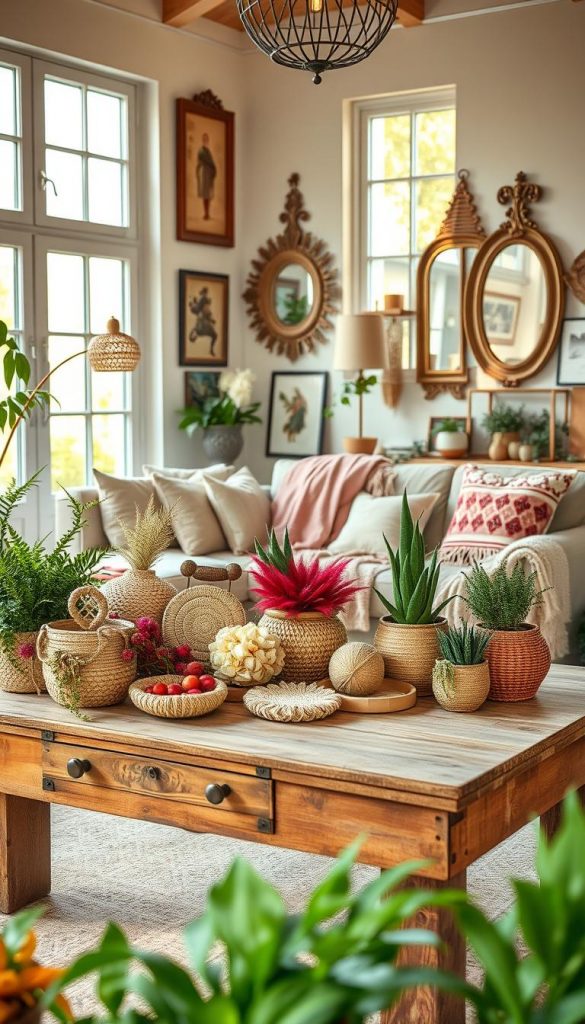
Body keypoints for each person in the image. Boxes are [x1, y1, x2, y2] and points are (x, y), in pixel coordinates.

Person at [189, 287, 217, 356]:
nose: (206, 294)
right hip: (203, 321)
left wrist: (194, 304)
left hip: (204, 320)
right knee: (213, 335)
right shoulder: (203, 299)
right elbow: (198, 309)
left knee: (214, 335)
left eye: (205, 293)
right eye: (205, 292)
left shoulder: (204, 300)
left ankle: (211, 349)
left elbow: (205, 311)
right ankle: (211, 349)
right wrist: (193, 304)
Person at [196, 133, 217, 221]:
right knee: (205, 194)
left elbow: (212, 163)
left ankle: (207, 213)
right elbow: (201, 161)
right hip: (204, 173)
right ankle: (206, 213)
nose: (205, 141)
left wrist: (213, 170)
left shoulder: (208, 151)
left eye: (206, 139)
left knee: (208, 194)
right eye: (204, 139)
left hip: (208, 173)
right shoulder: (201, 151)